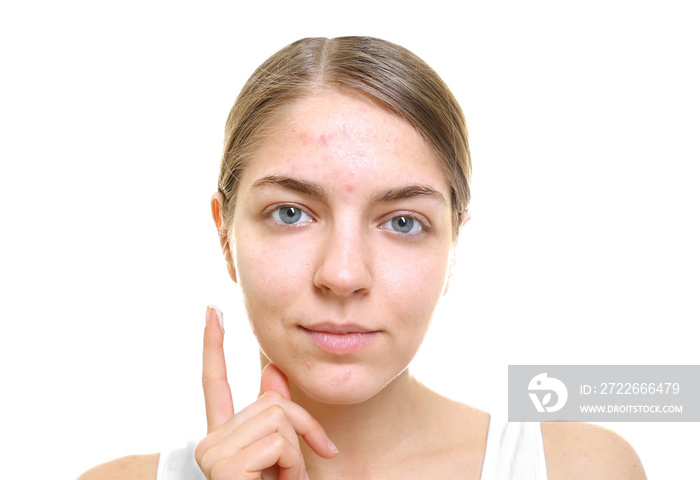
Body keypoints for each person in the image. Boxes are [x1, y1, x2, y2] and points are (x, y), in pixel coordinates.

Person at [78, 36, 646, 480]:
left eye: (403, 222)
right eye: (291, 213)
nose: (343, 275)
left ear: (453, 245)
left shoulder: (581, 468)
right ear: (225, 235)